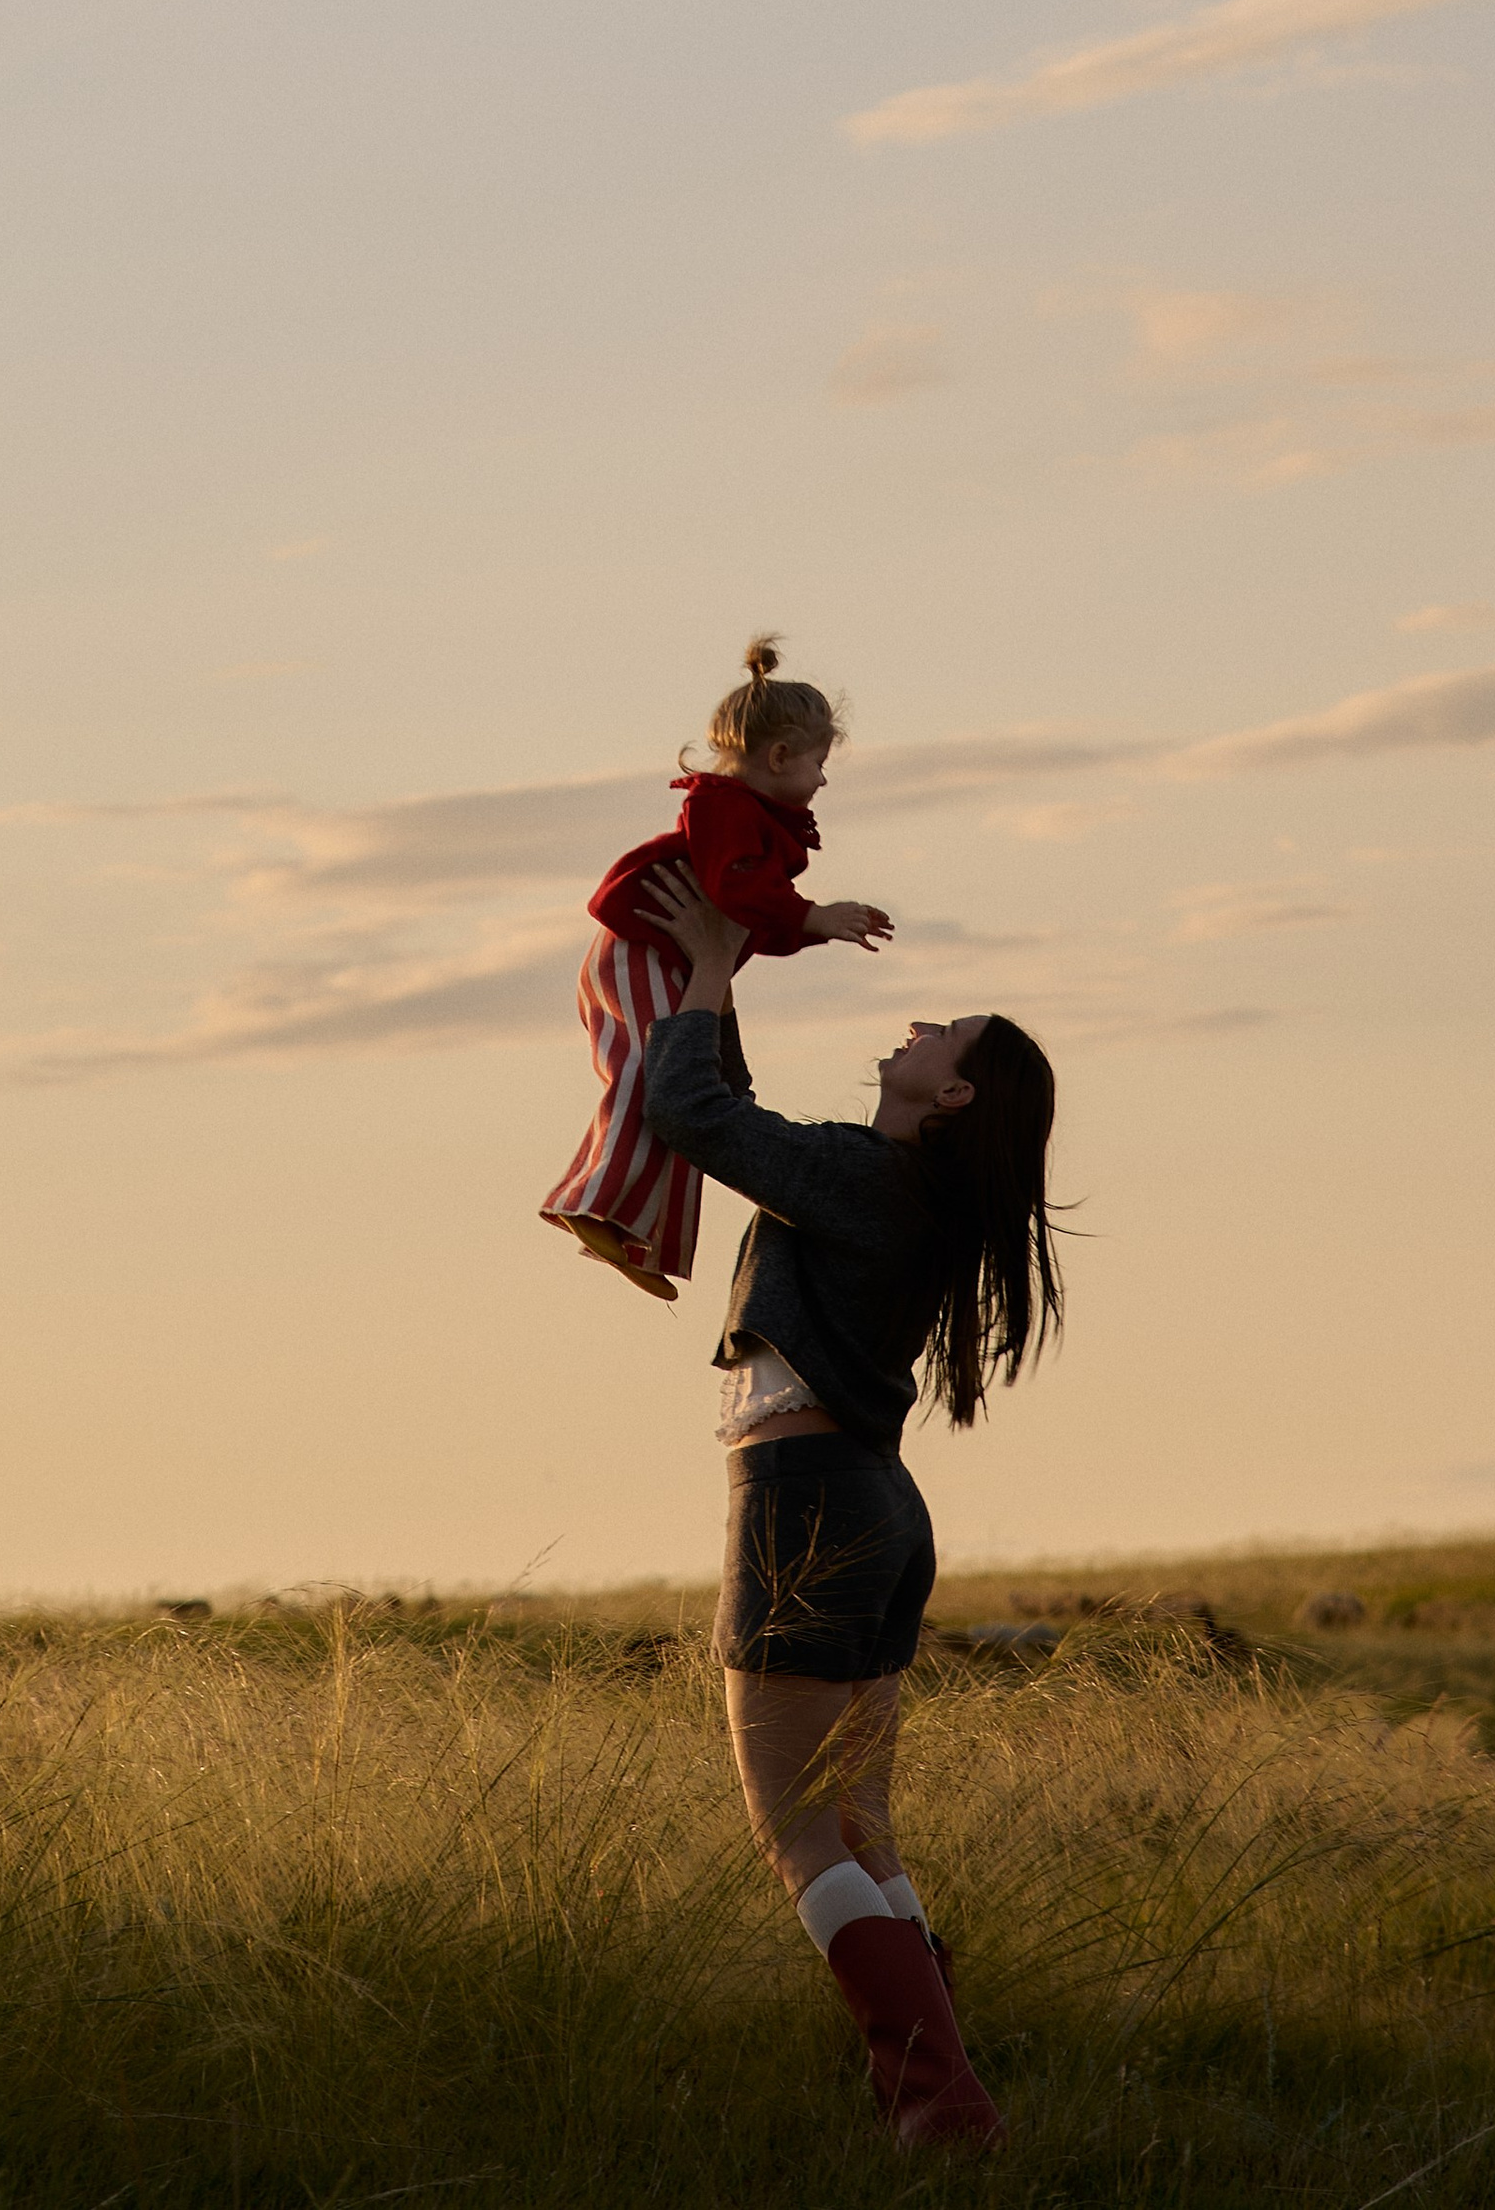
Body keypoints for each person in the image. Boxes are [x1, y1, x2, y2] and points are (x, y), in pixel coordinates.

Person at [637, 858, 1063, 2155]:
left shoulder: (865, 1178)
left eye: (948, 1033)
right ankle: (935, 2088)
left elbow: (689, 1111)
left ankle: (939, 2104)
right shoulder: (888, 1185)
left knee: (795, 1828)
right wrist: (721, 967)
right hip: (874, 1504)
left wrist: (709, 968)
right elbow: (738, 1114)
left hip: (805, 1498)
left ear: (953, 1094)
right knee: (860, 1825)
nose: (922, 1025)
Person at [538, 639, 897, 1299]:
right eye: (819, 763)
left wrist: (808, 924)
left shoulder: (750, 817)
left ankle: (640, 1234)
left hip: (670, 955)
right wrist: (812, 916)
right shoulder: (726, 809)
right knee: (658, 1079)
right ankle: (595, 1203)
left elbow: (750, 919)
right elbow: (737, 892)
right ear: (779, 756)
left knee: (687, 1091)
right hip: (641, 949)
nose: (823, 780)